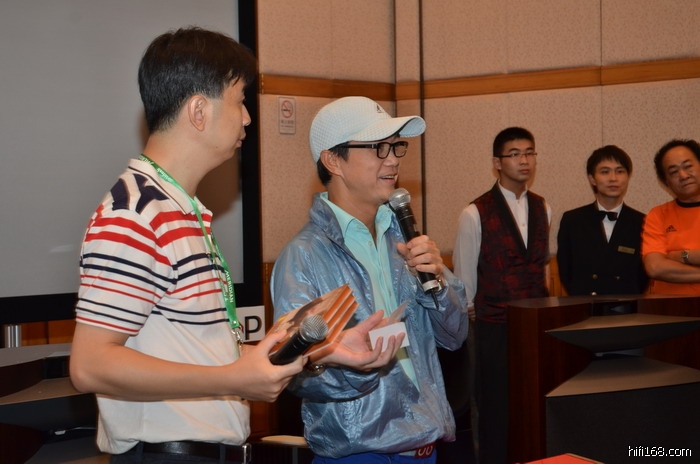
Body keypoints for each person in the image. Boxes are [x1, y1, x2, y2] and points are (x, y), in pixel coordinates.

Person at [69, 27, 304, 463]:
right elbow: (90, 365)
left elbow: (193, 351)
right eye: (239, 101)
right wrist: (234, 378)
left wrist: (283, 351)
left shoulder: (179, 208)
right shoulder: (135, 213)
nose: (247, 118)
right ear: (199, 110)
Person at [271, 96, 469, 463]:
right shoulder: (304, 256)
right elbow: (296, 372)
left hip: (424, 448)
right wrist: (358, 366)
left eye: (396, 146)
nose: (392, 159)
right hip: (358, 452)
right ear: (333, 160)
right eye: (378, 147)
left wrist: (438, 282)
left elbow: (455, 336)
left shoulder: (405, 237)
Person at [452, 126, 550, 464]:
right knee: (494, 407)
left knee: (534, 402)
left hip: (535, 325)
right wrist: (470, 311)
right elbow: (463, 278)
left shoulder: (543, 207)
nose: (524, 161)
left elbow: (541, 266)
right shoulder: (475, 212)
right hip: (492, 326)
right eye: (515, 154)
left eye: (529, 153)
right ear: (497, 162)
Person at [557, 145, 648, 296]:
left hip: (627, 305)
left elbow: (643, 275)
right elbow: (566, 270)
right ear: (592, 178)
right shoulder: (572, 220)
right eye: (605, 172)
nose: (613, 178)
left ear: (628, 177)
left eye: (620, 171)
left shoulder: (642, 222)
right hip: (584, 304)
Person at [642, 138, 700, 295]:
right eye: (673, 172)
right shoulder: (658, 215)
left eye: (688, 166)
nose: (683, 175)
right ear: (666, 182)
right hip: (670, 306)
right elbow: (655, 267)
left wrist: (682, 256)